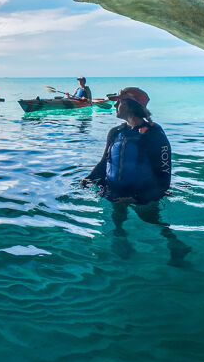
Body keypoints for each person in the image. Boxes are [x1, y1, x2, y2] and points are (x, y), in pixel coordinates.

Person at [81, 87, 189, 265]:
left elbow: (164, 174)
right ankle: (121, 243)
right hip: (114, 192)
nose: (115, 105)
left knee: (152, 219)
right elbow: (104, 162)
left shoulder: (154, 134)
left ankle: (176, 245)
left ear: (131, 105)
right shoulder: (115, 132)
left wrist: (137, 197)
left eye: (119, 101)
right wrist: (89, 178)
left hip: (143, 194)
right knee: (117, 219)